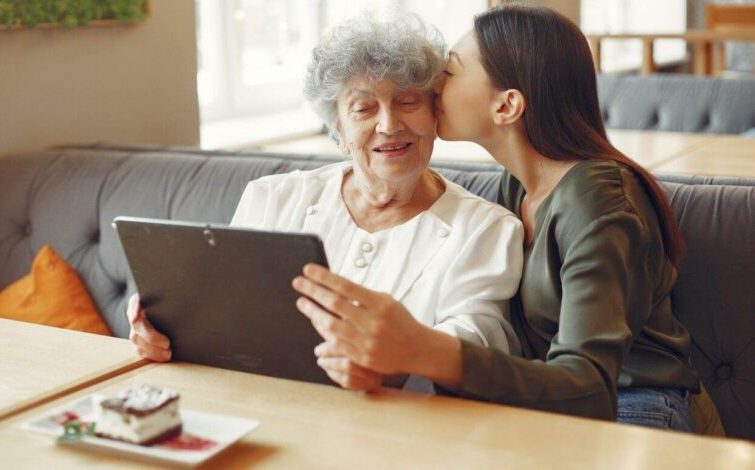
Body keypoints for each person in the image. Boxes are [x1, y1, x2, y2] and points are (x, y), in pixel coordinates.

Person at [293, 4, 707, 432]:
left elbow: (589, 389)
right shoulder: (520, 186)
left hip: (634, 412)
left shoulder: (599, 200)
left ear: (506, 106)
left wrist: (422, 349)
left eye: (448, 72)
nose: (433, 85)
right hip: (550, 407)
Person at [127, 13, 524, 390]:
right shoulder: (272, 199)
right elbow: (219, 310)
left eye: (408, 102)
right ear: (339, 130)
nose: (389, 125)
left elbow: (478, 343)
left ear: (434, 115)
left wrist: (396, 364)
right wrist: (165, 326)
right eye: (363, 108)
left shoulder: (486, 228)